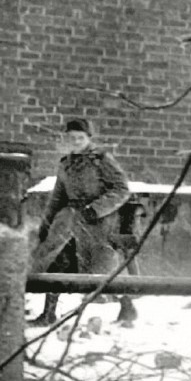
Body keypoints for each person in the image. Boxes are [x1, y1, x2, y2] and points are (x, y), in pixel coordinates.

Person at [28, 117, 139, 327]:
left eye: (80, 137)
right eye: (71, 137)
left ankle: (127, 307)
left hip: (99, 224)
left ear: (89, 138)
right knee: (56, 263)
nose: (76, 141)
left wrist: (96, 209)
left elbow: (122, 189)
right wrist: (46, 224)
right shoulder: (65, 164)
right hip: (70, 222)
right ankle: (48, 313)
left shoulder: (101, 160)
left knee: (102, 270)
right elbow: (58, 198)